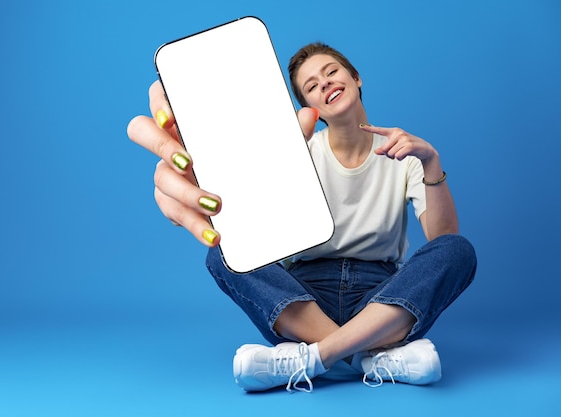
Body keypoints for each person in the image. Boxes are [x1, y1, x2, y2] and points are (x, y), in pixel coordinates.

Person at [127, 42, 477, 393]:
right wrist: (200, 191)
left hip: (382, 296)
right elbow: (247, 221)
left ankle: (311, 358)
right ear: (308, 107)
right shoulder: (297, 151)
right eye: (311, 86)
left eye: (331, 72)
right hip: (303, 296)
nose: (324, 83)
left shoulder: (405, 152)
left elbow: (442, 236)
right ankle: (370, 356)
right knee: (224, 251)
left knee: (458, 250)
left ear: (356, 78)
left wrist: (431, 159)